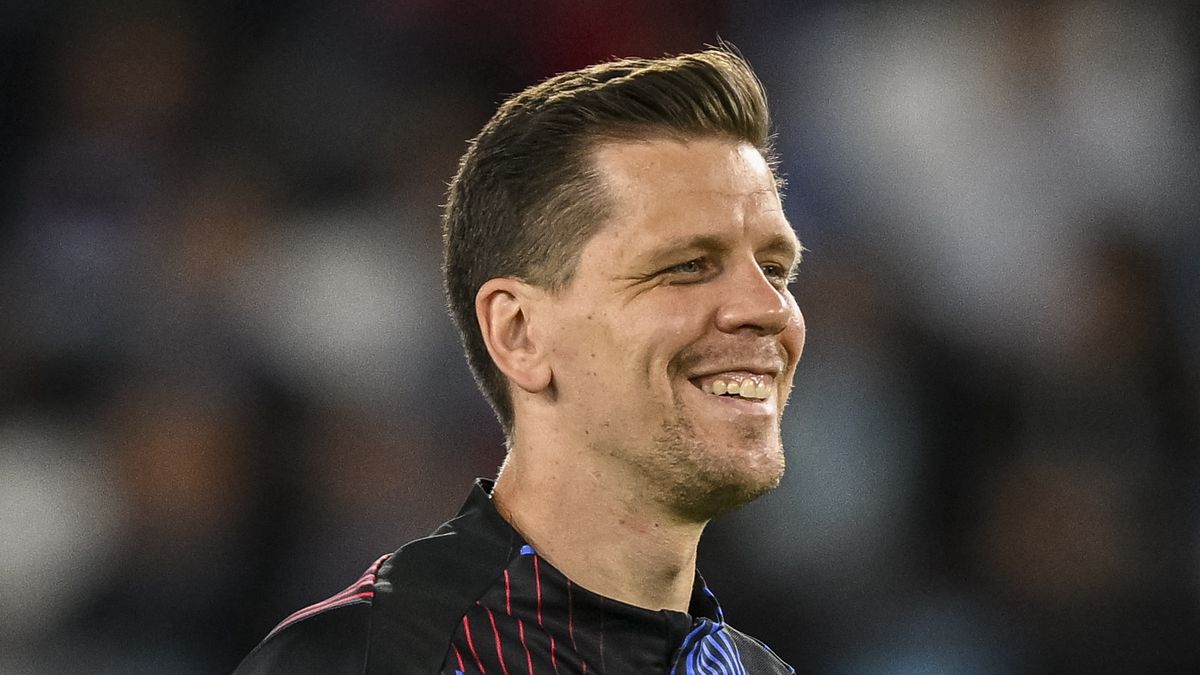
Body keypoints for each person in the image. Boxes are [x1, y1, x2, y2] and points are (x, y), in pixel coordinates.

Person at [234, 46, 805, 674]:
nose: (769, 308)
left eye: (776, 268)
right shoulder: (374, 659)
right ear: (520, 333)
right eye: (688, 266)